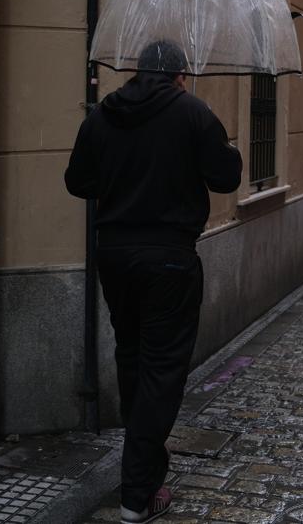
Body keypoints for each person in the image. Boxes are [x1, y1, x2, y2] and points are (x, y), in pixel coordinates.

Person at [64, 40, 241, 524]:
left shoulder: (102, 116)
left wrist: (122, 180)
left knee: (133, 356)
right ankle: (136, 495)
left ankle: (145, 473)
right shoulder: (194, 114)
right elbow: (226, 179)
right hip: (168, 258)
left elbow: (77, 182)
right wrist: (227, 149)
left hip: (116, 255)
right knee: (162, 370)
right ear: (179, 75)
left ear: (139, 72)